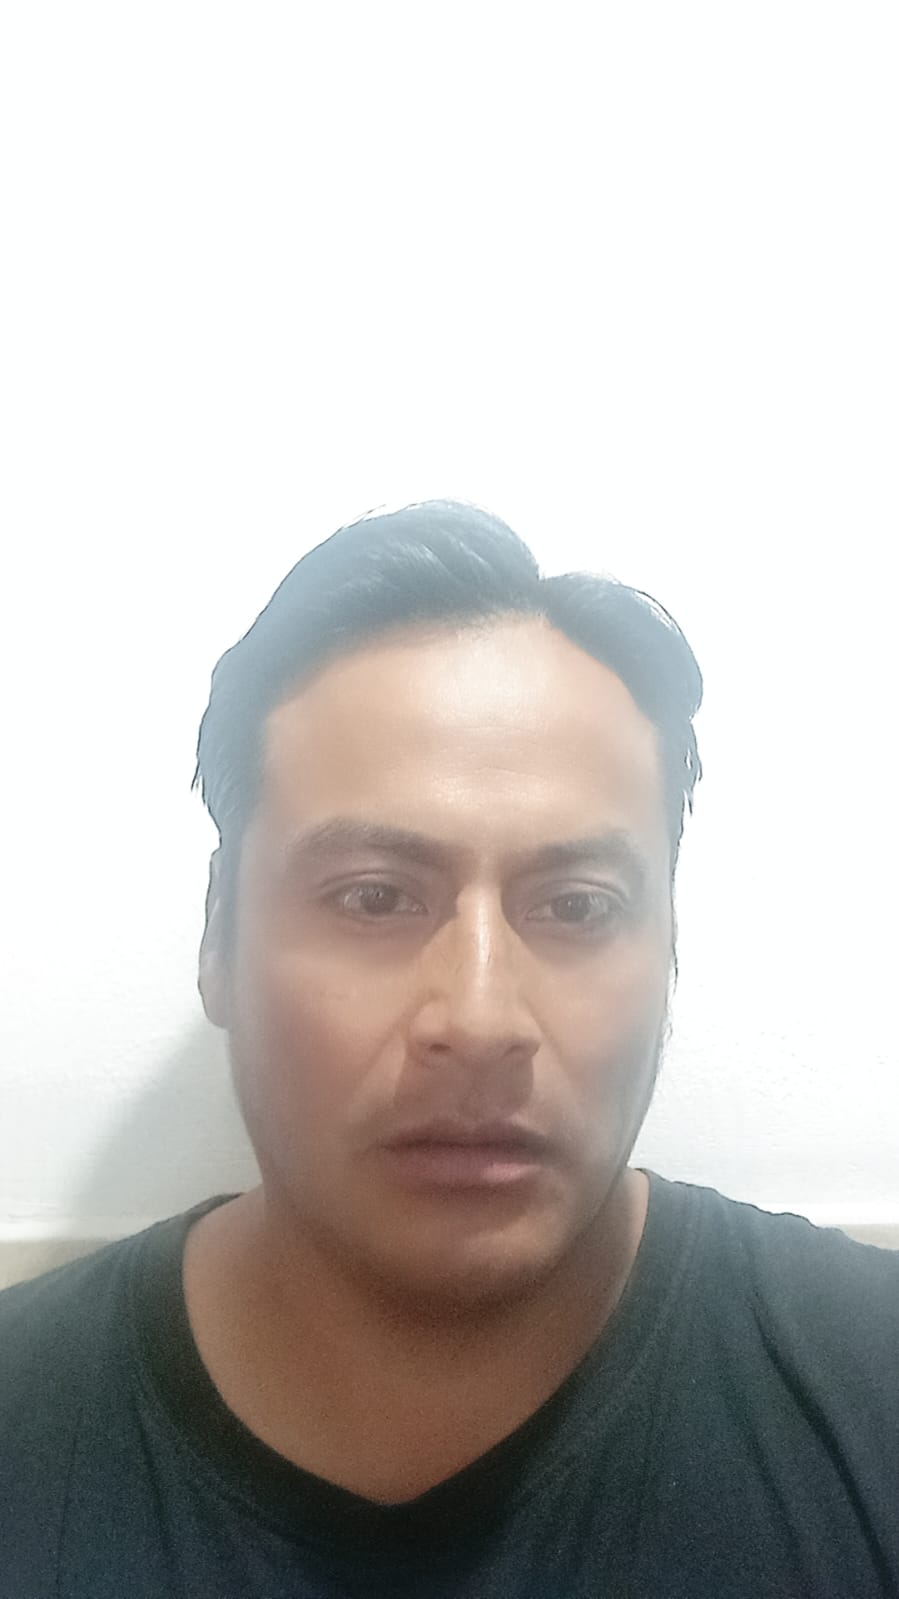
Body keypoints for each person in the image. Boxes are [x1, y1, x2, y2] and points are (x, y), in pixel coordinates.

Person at [1, 500, 896, 1599]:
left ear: (669, 949)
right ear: (218, 935)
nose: (478, 1020)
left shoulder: (870, 1387)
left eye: (576, 905)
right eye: (374, 897)